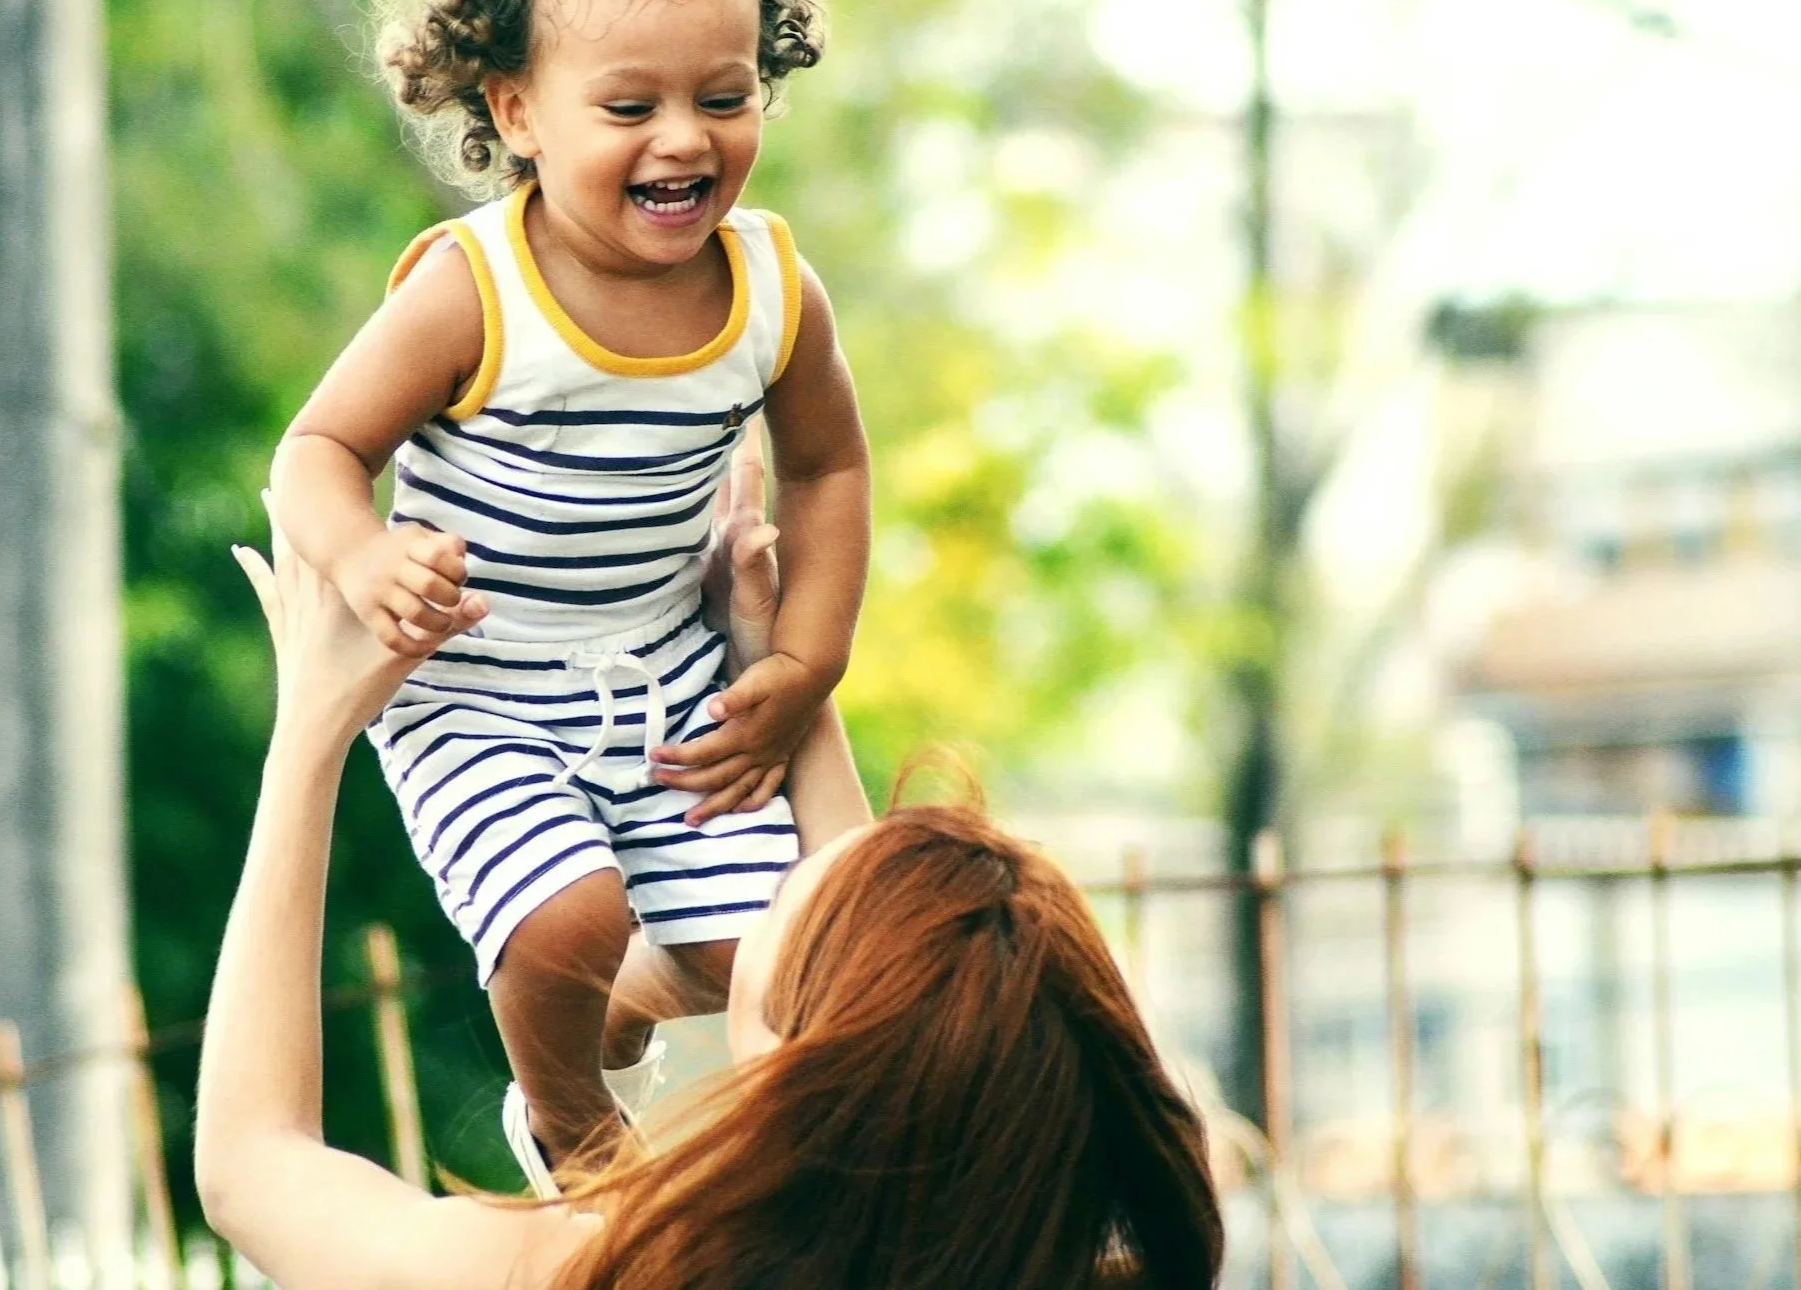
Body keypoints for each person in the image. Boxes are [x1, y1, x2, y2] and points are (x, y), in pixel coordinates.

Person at [267, 0, 869, 1190]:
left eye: (723, 95)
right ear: (515, 109)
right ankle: (573, 1131)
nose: (683, 141)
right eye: (628, 107)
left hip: (660, 671)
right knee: (562, 919)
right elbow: (315, 449)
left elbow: (830, 470)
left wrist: (804, 661)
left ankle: (612, 1004)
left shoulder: (771, 291)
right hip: (475, 684)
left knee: (758, 958)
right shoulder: (473, 292)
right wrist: (363, 555)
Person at [196, 489, 1226, 1290]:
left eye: (782, 904)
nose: (779, 873)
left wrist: (310, 733)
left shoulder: (584, 1272)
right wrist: (773, 672)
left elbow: (252, 1163)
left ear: (796, 1065)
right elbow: (877, 996)